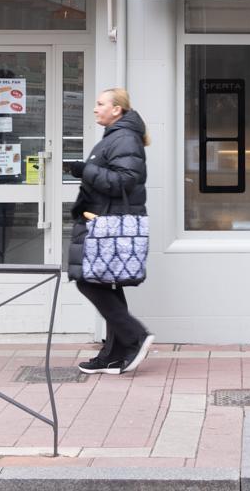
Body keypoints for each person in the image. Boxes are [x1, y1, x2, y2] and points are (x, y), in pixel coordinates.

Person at [67, 87, 155, 375]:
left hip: (108, 222)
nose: (95, 108)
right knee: (105, 283)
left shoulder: (124, 137)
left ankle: (135, 336)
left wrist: (85, 171)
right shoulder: (116, 137)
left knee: (89, 281)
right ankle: (113, 354)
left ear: (117, 109)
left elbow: (126, 180)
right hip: (102, 218)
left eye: (100, 103)